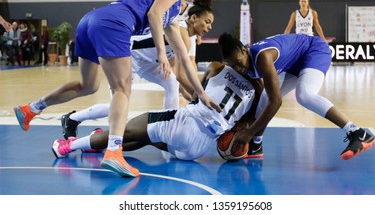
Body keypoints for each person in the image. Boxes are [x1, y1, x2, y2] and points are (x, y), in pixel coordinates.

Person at [13, 0, 221, 178]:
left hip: (91, 20)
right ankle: (113, 153)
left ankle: (31, 109)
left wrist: (201, 93)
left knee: (88, 85)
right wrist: (161, 52)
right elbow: (153, 15)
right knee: (122, 91)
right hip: (116, 24)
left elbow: (184, 60)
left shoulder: (172, 15)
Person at [60, 0, 214, 140]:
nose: (209, 27)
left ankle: (169, 130)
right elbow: (182, 75)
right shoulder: (178, 30)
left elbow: (188, 70)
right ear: (193, 18)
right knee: (119, 105)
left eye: (211, 24)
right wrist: (199, 97)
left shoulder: (191, 39)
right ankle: (72, 119)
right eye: (207, 22)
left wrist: (194, 95)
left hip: (148, 63)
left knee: (172, 83)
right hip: (128, 55)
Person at [52, 62, 260, 164]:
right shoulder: (256, 91)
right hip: (198, 149)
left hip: (184, 125)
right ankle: (97, 145)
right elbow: (242, 127)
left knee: (125, 131)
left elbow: (197, 94)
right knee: (147, 138)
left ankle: (67, 146)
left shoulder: (217, 67)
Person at [218, 32, 375, 160]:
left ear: (245, 50)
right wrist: (246, 123)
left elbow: (276, 102)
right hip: (294, 62)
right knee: (265, 97)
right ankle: (256, 145)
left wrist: (250, 131)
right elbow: (261, 93)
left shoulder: (263, 57)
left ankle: (357, 132)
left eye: (238, 63)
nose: (238, 69)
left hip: (314, 50)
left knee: (305, 95)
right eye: (233, 66)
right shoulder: (244, 63)